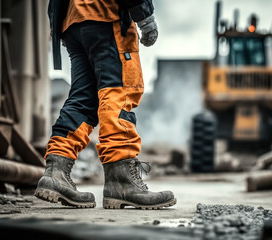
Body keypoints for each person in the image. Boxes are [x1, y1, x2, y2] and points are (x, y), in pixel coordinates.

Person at [34, 0, 176, 210]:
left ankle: (56, 172)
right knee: (118, 92)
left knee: (83, 99)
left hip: (73, 20)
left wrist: (59, 25)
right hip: (105, 14)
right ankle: (121, 182)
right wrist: (145, 16)